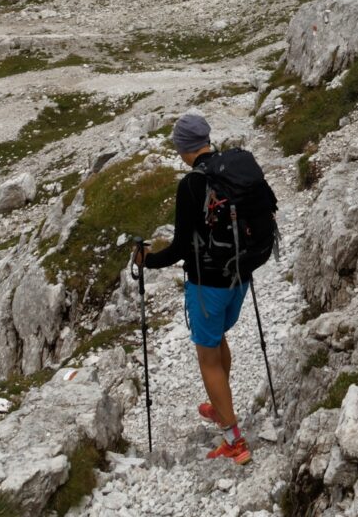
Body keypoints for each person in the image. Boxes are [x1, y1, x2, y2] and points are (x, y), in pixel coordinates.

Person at [136, 111, 253, 465]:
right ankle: (220, 408)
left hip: (207, 285)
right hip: (241, 277)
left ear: (183, 147)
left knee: (207, 359)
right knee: (217, 340)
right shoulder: (234, 168)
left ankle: (234, 441)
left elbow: (181, 248)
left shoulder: (191, 185)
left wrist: (147, 261)